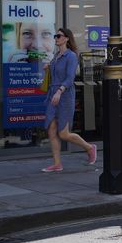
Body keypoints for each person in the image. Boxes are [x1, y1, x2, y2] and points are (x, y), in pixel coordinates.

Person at [41, 27, 96, 172]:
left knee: (63, 133)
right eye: (55, 36)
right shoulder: (56, 56)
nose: (56, 38)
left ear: (66, 38)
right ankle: (57, 164)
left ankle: (89, 147)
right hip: (53, 94)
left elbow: (70, 78)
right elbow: (56, 71)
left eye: (59, 36)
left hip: (64, 95)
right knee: (52, 130)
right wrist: (48, 67)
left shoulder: (71, 56)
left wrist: (59, 91)